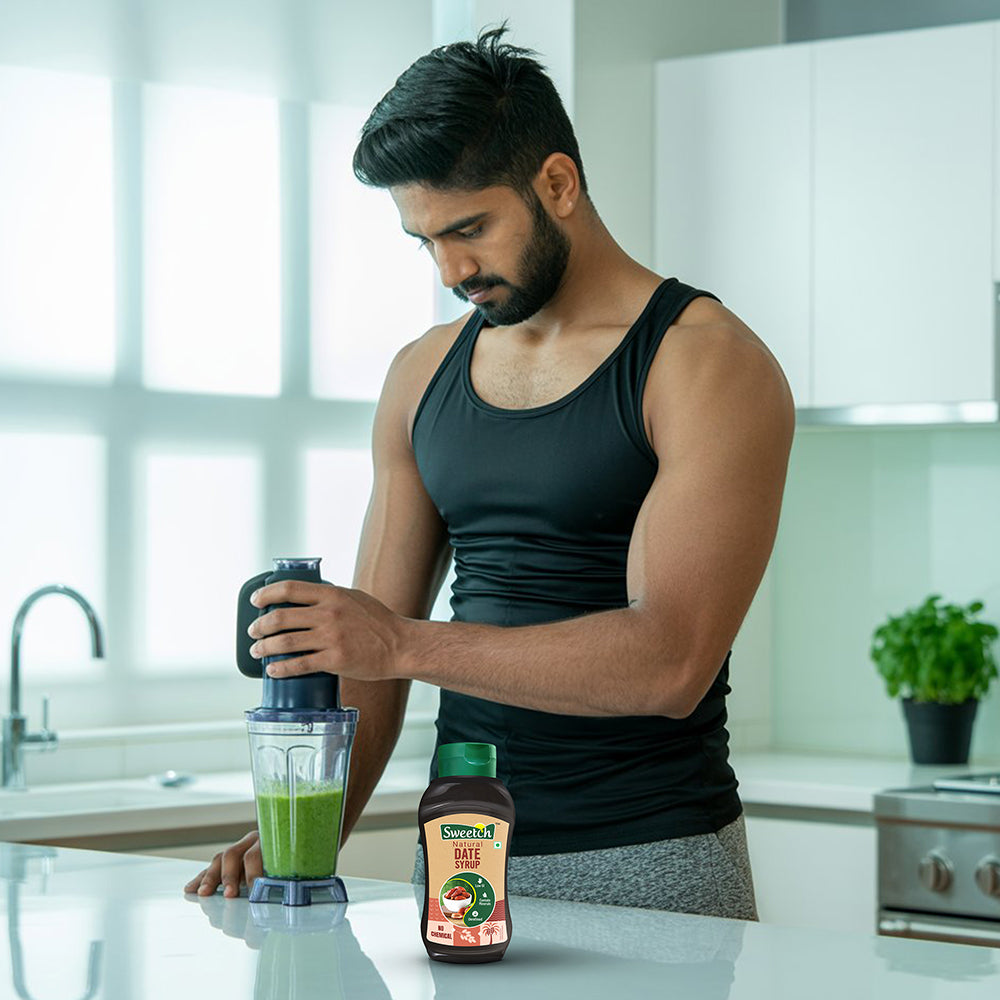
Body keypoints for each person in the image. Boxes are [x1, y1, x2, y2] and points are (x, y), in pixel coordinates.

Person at [185, 26, 794, 919]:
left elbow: (671, 662)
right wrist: (303, 842)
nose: (451, 270)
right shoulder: (422, 373)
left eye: (470, 229)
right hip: (465, 856)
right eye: (425, 241)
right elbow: (370, 661)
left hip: (652, 859)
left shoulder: (705, 364)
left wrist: (397, 642)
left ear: (557, 183)